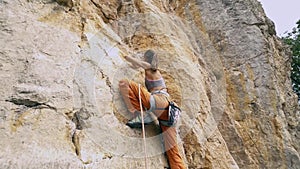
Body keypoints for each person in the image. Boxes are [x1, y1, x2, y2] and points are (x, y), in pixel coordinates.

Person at [119, 49, 186, 169]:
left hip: (159, 101)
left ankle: (141, 115)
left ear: (147, 59)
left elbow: (135, 62)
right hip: (168, 111)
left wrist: (124, 55)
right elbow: (136, 65)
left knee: (125, 84)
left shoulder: (150, 67)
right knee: (172, 151)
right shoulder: (152, 70)